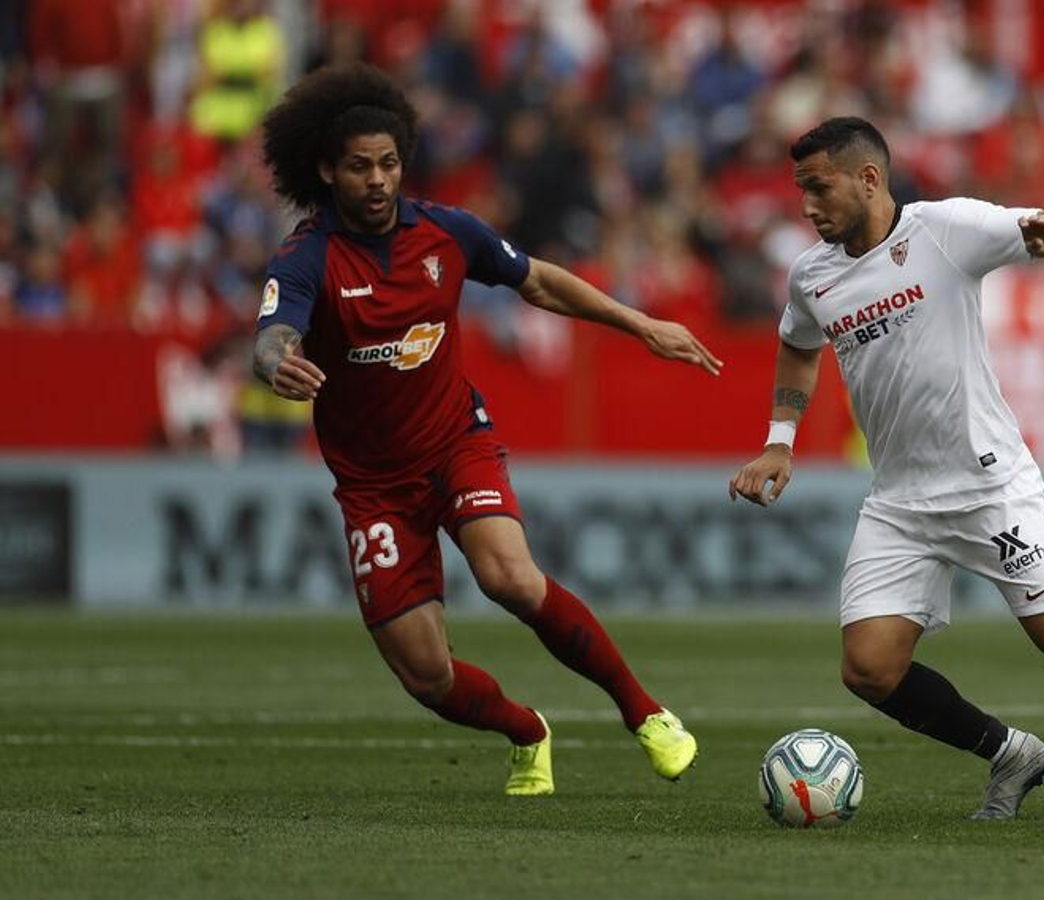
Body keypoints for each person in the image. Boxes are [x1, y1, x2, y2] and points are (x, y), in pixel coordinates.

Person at [729, 117, 1044, 821]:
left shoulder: (945, 231)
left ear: (869, 179)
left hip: (990, 484)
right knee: (869, 670)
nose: (807, 206)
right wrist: (779, 439)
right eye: (802, 192)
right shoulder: (811, 275)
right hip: (900, 503)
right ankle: (1011, 754)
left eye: (818, 188)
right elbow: (797, 345)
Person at [254, 64, 719, 796]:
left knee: (509, 577)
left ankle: (647, 713)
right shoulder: (308, 256)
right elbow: (273, 333)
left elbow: (535, 279)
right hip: (373, 487)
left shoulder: (446, 232)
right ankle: (527, 730)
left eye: (388, 164)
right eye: (359, 167)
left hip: (453, 444)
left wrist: (638, 323)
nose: (377, 181)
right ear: (326, 170)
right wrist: (277, 361)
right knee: (425, 675)